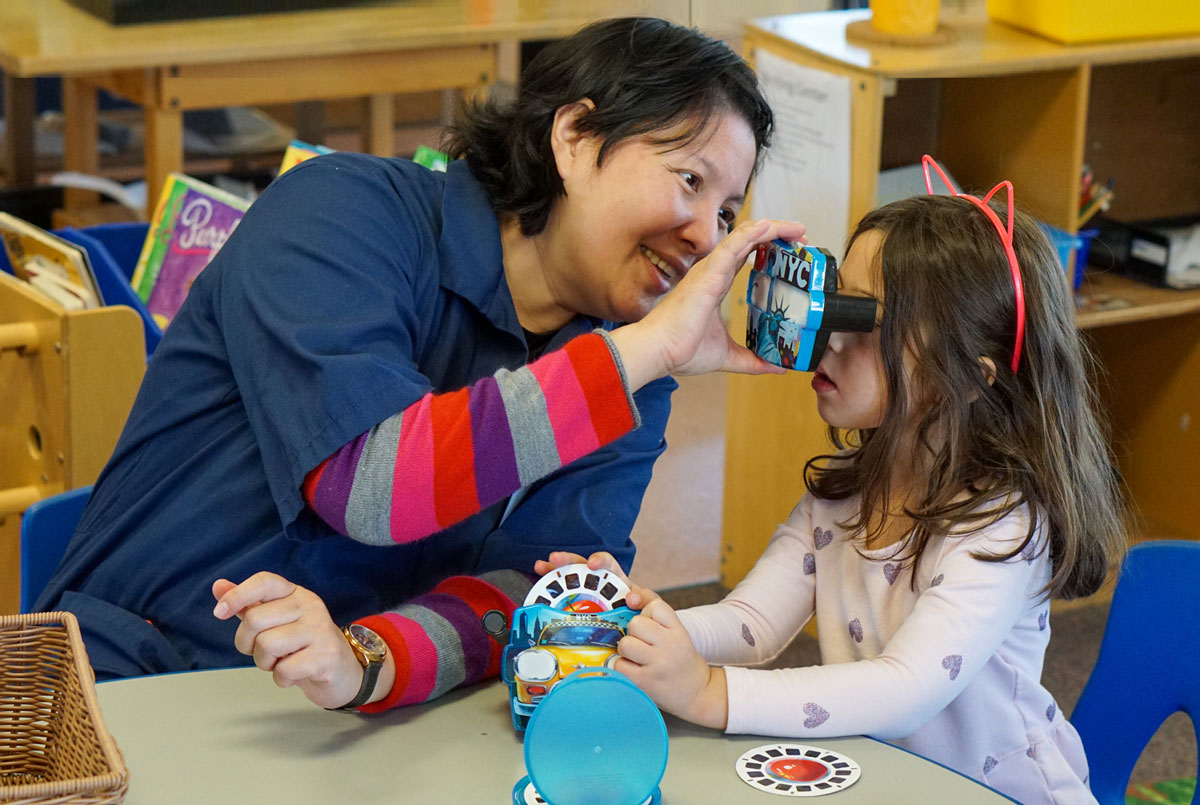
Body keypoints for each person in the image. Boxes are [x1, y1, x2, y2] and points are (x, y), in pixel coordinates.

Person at [37, 16, 805, 712]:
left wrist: (365, 658)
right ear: (573, 138)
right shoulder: (337, 212)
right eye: (690, 180)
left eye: (729, 212)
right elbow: (372, 483)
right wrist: (638, 354)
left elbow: (525, 590)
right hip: (128, 687)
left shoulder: (626, 363)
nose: (708, 236)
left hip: (348, 718)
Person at [545, 173, 1128, 803]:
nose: (828, 336)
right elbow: (752, 623)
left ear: (966, 378)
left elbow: (902, 689)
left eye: (864, 320)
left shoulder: (1003, 527)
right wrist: (648, 628)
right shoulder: (844, 496)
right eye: (833, 301)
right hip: (882, 783)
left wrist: (709, 692)